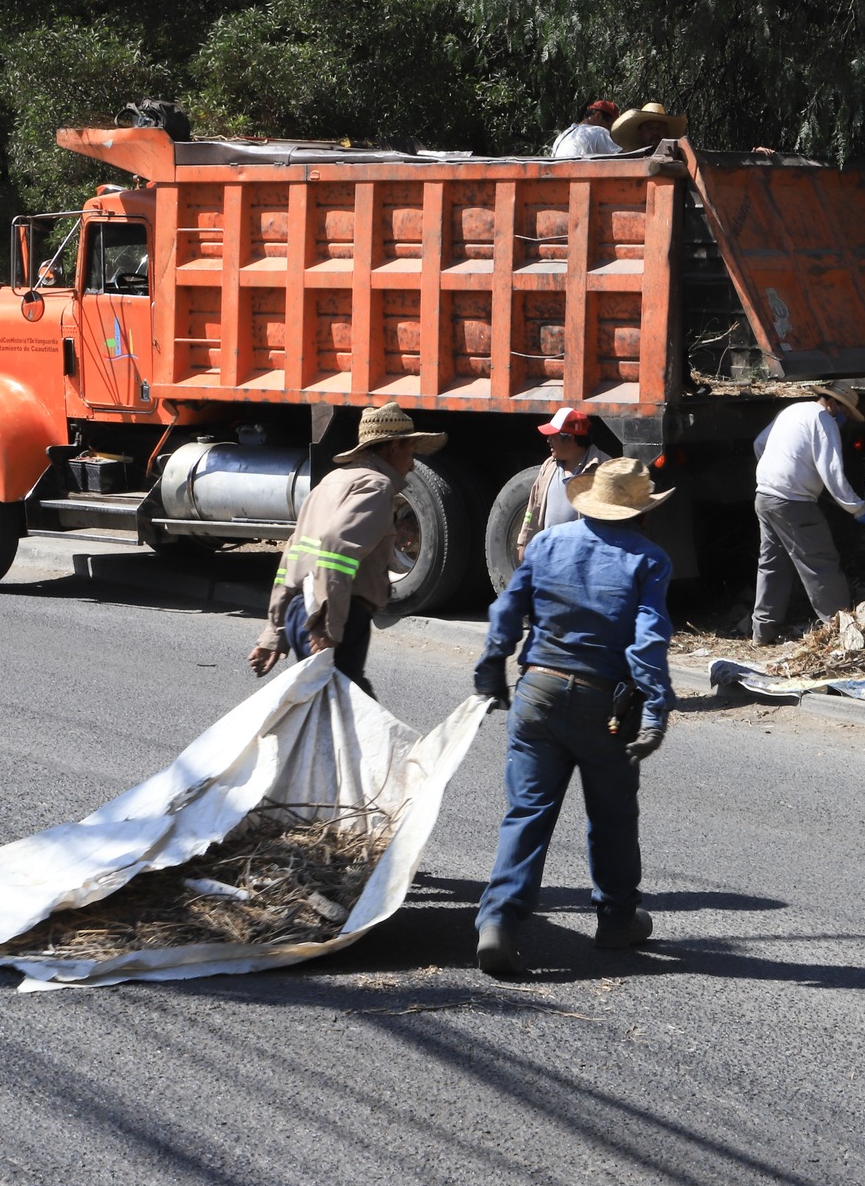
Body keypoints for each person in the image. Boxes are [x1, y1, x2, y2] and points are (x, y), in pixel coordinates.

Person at [472, 457, 676, 976]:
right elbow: (647, 640)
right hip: (602, 701)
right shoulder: (648, 560)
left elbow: (506, 610)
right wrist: (655, 706)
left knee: (528, 811)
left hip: (537, 689)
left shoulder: (546, 544)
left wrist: (494, 661)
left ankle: (498, 920)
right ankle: (615, 920)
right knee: (611, 815)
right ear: (641, 513)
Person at [247, 402, 446, 695]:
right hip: (336, 613)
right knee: (348, 718)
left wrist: (275, 631)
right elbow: (336, 550)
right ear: (391, 447)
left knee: (330, 712)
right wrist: (328, 626)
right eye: (410, 451)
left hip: (302, 612)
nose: (413, 464)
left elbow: (293, 554)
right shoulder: (376, 487)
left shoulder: (331, 481)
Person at [749, 384, 865, 645]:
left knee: (772, 564)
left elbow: (760, 443)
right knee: (820, 562)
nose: (844, 420)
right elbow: (832, 471)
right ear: (834, 404)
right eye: (845, 413)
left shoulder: (793, 410)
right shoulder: (823, 419)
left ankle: (762, 632)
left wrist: (781, 474)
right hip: (793, 502)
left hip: (765, 496)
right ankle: (841, 630)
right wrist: (857, 507)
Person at [516, 406, 609, 556]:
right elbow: (533, 507)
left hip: (581, 559)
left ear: (570, 438)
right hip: (549, 556)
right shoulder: (549, 466)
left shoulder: (604, 469)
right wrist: (524, 541)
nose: (548, 440)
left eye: (553, 435)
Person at [550, 100, 621, 158]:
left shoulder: (563, 136)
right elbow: (623, 160)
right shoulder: (600, 132)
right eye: (610, 125)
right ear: (598, 115)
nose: (610, 130)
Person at [609, 102, 688, 152]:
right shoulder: (626, 160)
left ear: (667, 132)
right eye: (649, 128)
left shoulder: (680, 159)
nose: (655, 132)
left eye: (660, 128)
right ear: (640, 132)